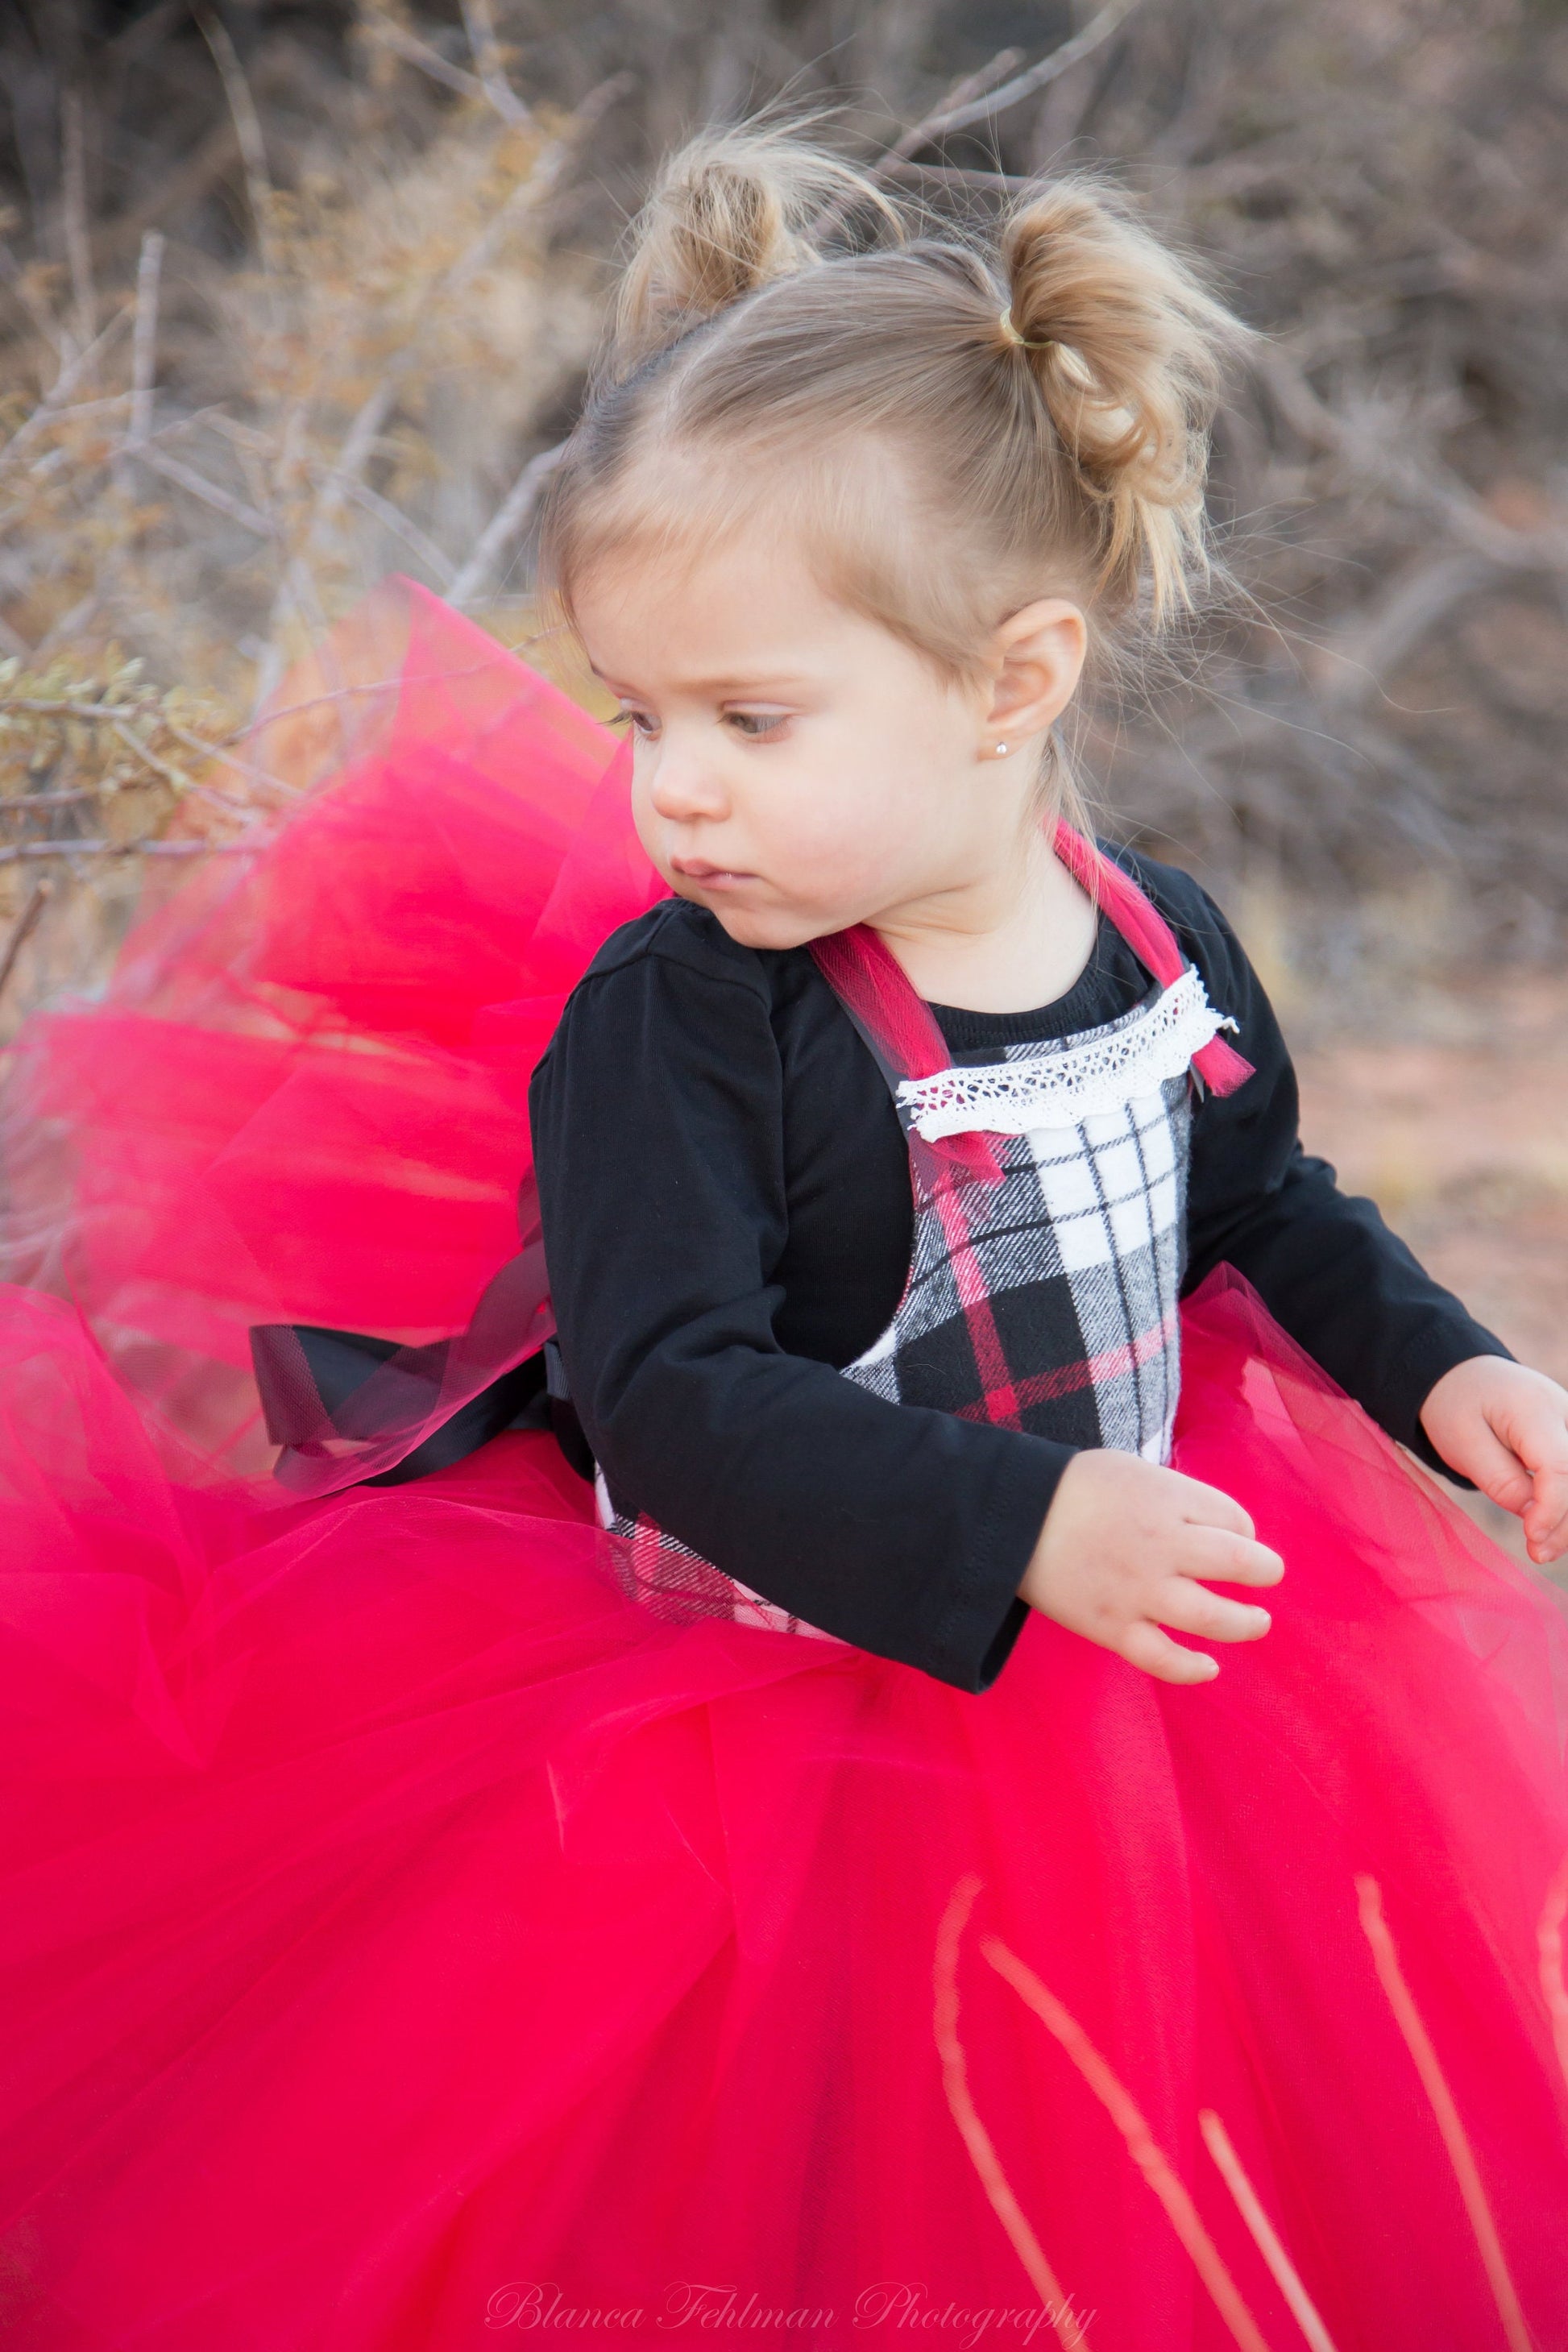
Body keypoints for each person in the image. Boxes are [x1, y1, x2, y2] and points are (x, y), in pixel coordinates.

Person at [0, 121, 1566, 2352]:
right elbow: (668, 1389)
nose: (674, 791)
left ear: (1010, 682)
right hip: (732, 1701)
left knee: (1080, 2116)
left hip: (1095, 1656)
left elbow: (1261, 1204)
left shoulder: (1152, 935)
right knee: (747, 2158)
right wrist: (1019, 1518)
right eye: (640, 719)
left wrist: (1443, 1368)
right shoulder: (683, 1021)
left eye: (749, 722)